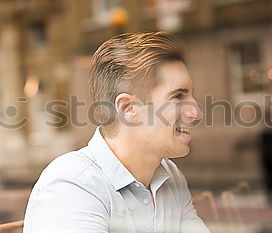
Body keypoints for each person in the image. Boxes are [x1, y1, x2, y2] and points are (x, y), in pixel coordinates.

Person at [23, 32, 210, 233]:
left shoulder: (171, 176)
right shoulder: (72, 185)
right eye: (178, 97)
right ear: (128, 108)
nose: (196, 112)